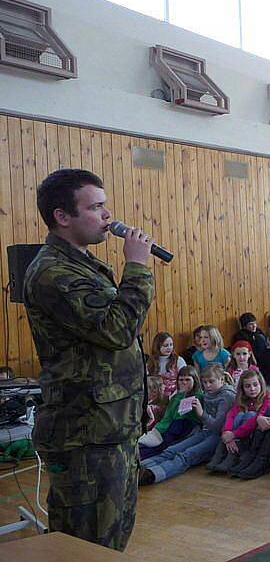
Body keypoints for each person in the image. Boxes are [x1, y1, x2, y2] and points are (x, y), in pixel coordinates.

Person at [23, 168, 154, 551]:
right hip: (84, 435)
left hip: (110, 424)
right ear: (62, 216)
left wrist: (135, 404)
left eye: (105, 206)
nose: (107, 217)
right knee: (86, 543)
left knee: (112, 537)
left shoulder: (82, 263)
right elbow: (116, 331)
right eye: (96, 208)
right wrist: (137, 268)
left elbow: (104, 349)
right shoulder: (53, 272)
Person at [139, 363, 235, 485]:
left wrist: (201, 413)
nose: (207, 386)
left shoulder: (227, 396)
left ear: (221, 380)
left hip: (218, 436)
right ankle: (138, 468)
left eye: (211, 382)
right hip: (204, 431)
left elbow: (217, 426)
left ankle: (151, 475)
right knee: (171, 450)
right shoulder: (206, 393)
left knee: (186, 455)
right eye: (205, 382)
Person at [147, 331, 186, 397]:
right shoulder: (151, 362)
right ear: (157, 347)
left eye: (171, 344)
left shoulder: (178, 360)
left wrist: (175, 395)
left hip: (176, 393)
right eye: (165, 345)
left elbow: (185, 379)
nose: (169, 348)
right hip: (157, 395)